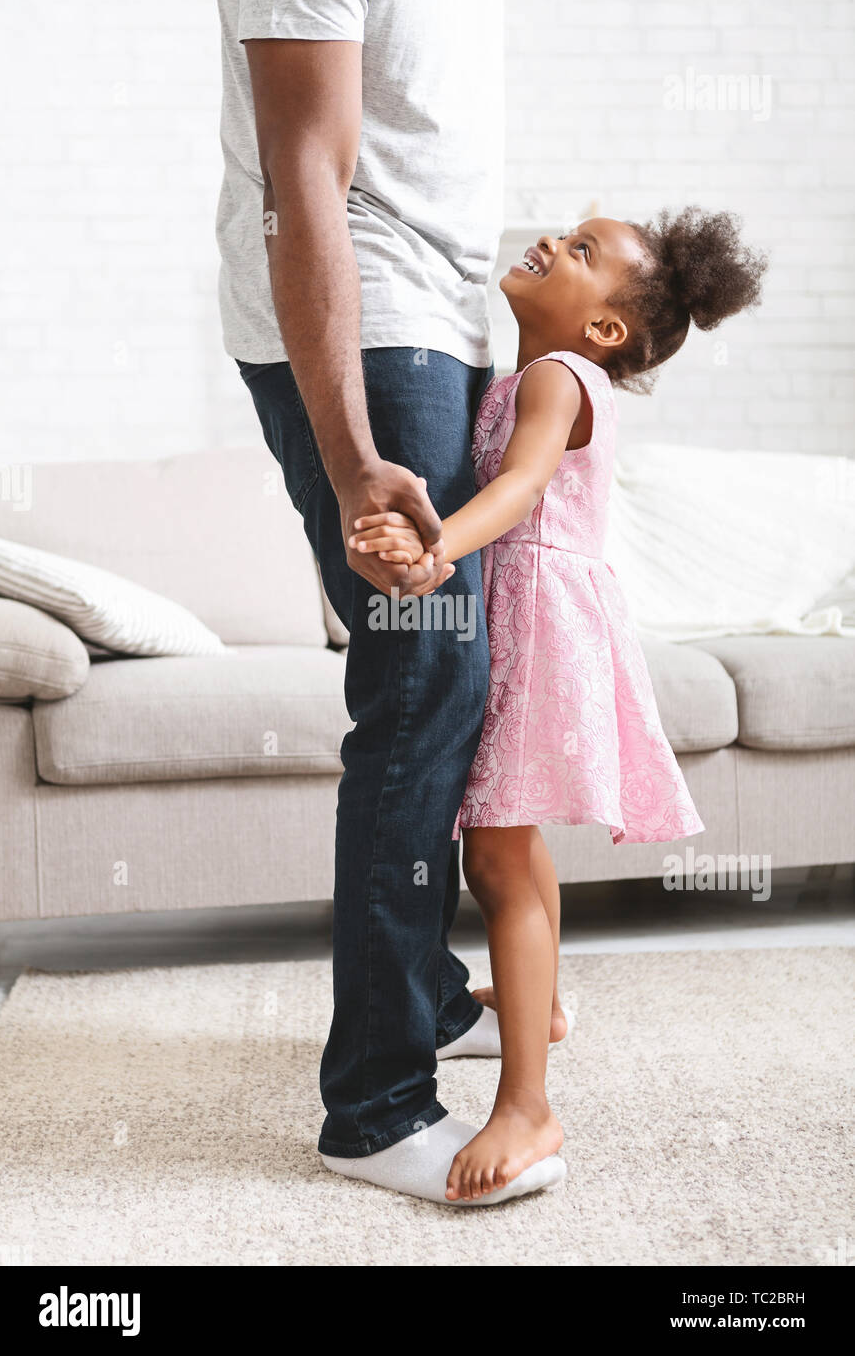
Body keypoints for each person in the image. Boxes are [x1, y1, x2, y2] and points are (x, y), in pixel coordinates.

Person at [214, 0, 562, 1206]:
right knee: (420, 673)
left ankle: (422, 990)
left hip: (440, 321)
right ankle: (372, 1108)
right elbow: (303, 164)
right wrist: (358, 458)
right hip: (372, 323)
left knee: (452, 678)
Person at [349, 207, 767, 1199]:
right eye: (565, 232)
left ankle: (527, 1104)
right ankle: (535, 1009)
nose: (548, 243)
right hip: (549, 614)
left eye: (580, 253)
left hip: (538, 619)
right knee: (511, 849)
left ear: (605, 330)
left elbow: (527, 487)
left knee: (494, 852)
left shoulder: (551, 378)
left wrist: (437, 545)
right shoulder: (540, 375)